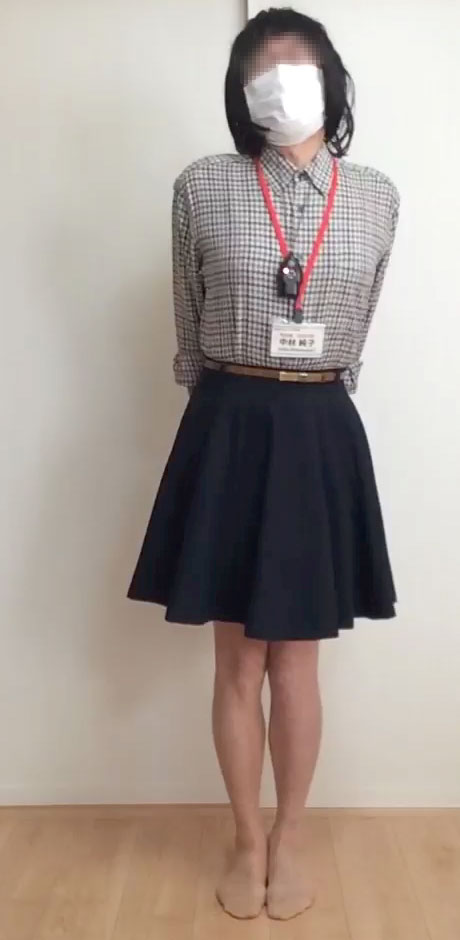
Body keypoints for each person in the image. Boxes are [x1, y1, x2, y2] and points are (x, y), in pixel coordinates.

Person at [128, 6, 400, 922]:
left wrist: (313, 388)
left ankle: (291, 836)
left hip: (320, 423)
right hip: (231, 420)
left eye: (299, 63)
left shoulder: (376, 195)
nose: (280, 79)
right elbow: (187, 320)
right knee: (238, 658)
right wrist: (224, 404)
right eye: (260, 66)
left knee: (299, 661)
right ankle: (247, 839)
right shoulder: (202, 184)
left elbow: (361, 322)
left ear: (333, 81)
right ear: (240, 90)